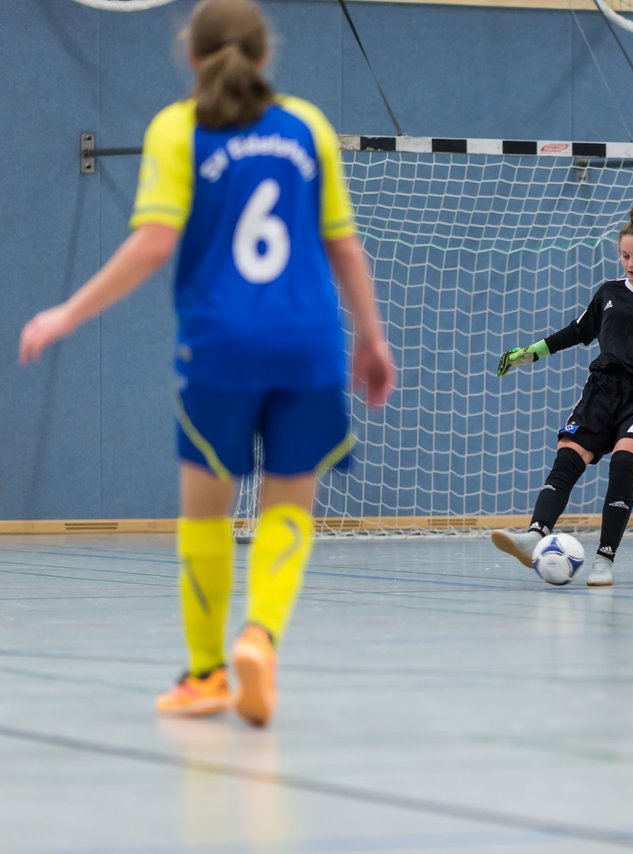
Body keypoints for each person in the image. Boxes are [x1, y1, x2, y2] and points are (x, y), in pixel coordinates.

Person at [18, 0, 395, 727]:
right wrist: (373, 340)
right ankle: (261, 637)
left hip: (222, 346)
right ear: (265, 56)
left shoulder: (176, 128)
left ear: (190, 56)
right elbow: (345, 246)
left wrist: (67, 312)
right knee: (289, 509)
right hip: (310, 342)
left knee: (207, 518)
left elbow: (154, 243)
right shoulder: (307, 126)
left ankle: (206, 673)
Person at [491, 205, 633, 586]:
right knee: (568, 456)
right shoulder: (609, 293)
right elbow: (576, 331)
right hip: (601, 390)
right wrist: (530, 353)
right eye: (624, 256)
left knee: (623, 462)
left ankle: (604, 559)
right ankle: (535, 534)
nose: (630, 263)